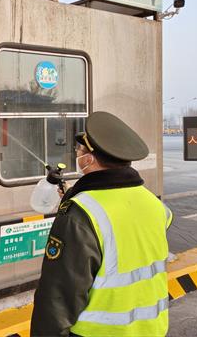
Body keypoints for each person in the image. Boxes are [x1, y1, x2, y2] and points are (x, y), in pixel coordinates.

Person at [31, 111, 173, 337]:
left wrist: (78, 203)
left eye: (80, 151)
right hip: (152, 329)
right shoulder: (153, 204)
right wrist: (78, 196)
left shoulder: (80, 213)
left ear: (89, 159)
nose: (77, 155)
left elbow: (58, 296)